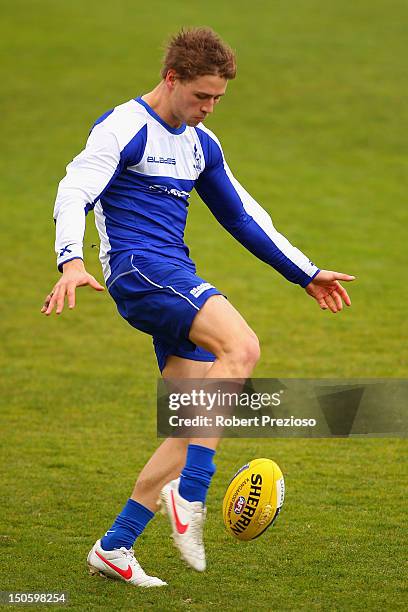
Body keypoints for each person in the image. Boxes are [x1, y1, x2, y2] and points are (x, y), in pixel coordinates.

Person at [42, 27, 354, 588]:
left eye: (217, 100)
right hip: (139, 270)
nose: (208, 109)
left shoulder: (199, 143)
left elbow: (242, 216)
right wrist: (70, 259)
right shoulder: (124, 128)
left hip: (172, 274)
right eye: (200, 97)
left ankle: (116, 544)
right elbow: (74, 189)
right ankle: (191, 495)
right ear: (172, 78)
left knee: (196, 416)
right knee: (243, 347)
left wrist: (305, 273)